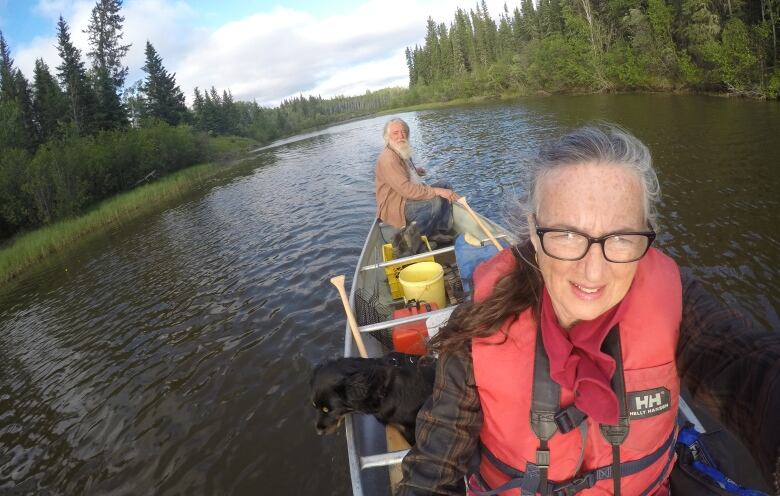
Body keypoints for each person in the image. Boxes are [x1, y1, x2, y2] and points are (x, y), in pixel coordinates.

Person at [398, 124, 780, 495]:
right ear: (533, 232)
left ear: (645, 234)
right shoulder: (481, 325)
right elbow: (436, 460)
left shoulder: (677, 304)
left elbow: (748, 370)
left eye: (620, 237)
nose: (593, 272)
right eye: (565, 234)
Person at [375, 118, 460, 241]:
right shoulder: (388, 159)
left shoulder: (400, 149)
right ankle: (418, 238)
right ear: (387, 137)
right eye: (395, 133)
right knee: (436, 201)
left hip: (406, 197)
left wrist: (415, 171)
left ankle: (439, 229)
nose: (401, 136)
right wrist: (437, 191)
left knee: (445, 185)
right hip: (397, 204)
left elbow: (403, 173)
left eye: (404, 132)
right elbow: (407, 190)